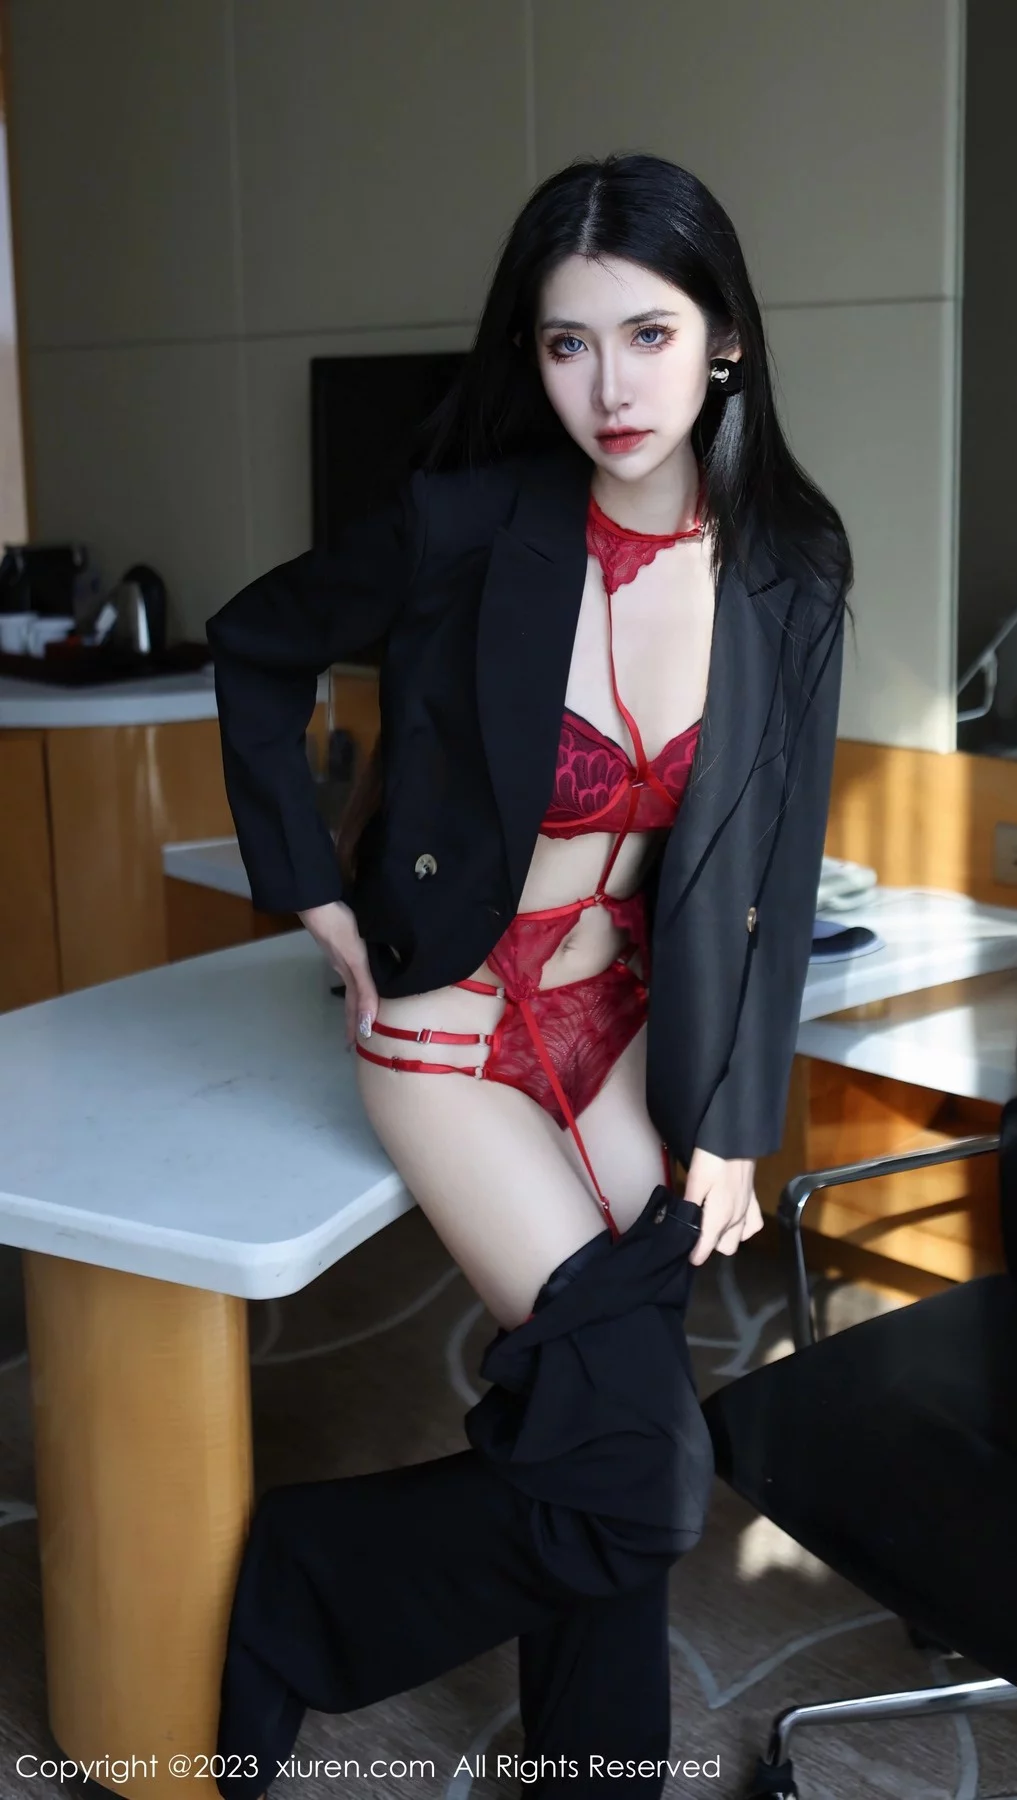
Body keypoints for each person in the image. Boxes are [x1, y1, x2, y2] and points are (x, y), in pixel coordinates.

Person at [204, 151, 851, 1799]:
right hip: (452, 1019)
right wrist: (310, 891)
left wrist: (736, 1118)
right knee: (642, 1469)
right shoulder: (469, 523)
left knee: (606, 1423)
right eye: (569, 344)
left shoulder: (791, 561)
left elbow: (774, 869)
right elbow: (257, 645)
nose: (610, 388)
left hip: (629, 1023)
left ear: (725, 341)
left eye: (649, 334)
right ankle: (303, 1586)